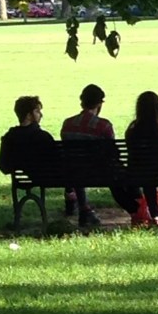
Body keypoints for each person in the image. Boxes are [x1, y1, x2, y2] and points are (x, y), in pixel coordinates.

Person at [59, 83, 121, 229]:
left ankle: (79, 203)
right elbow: (113, 153)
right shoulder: (104, 126)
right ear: (99, 104)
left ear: (82, 102)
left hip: (71, 172)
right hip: (98, 173)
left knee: (76, 166)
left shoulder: (67, 124)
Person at [125, 90, 158, 227]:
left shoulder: (134, 129)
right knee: (156, 175)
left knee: (147, 178)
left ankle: (153, 214)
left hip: (139, 171)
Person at [0, 95, 55, 174]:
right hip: (45, 178)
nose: (41, 115)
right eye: (37, 111)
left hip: (19, 180)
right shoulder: (43, 137)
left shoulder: (10, 137)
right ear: (29, 115)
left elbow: (3, 165)